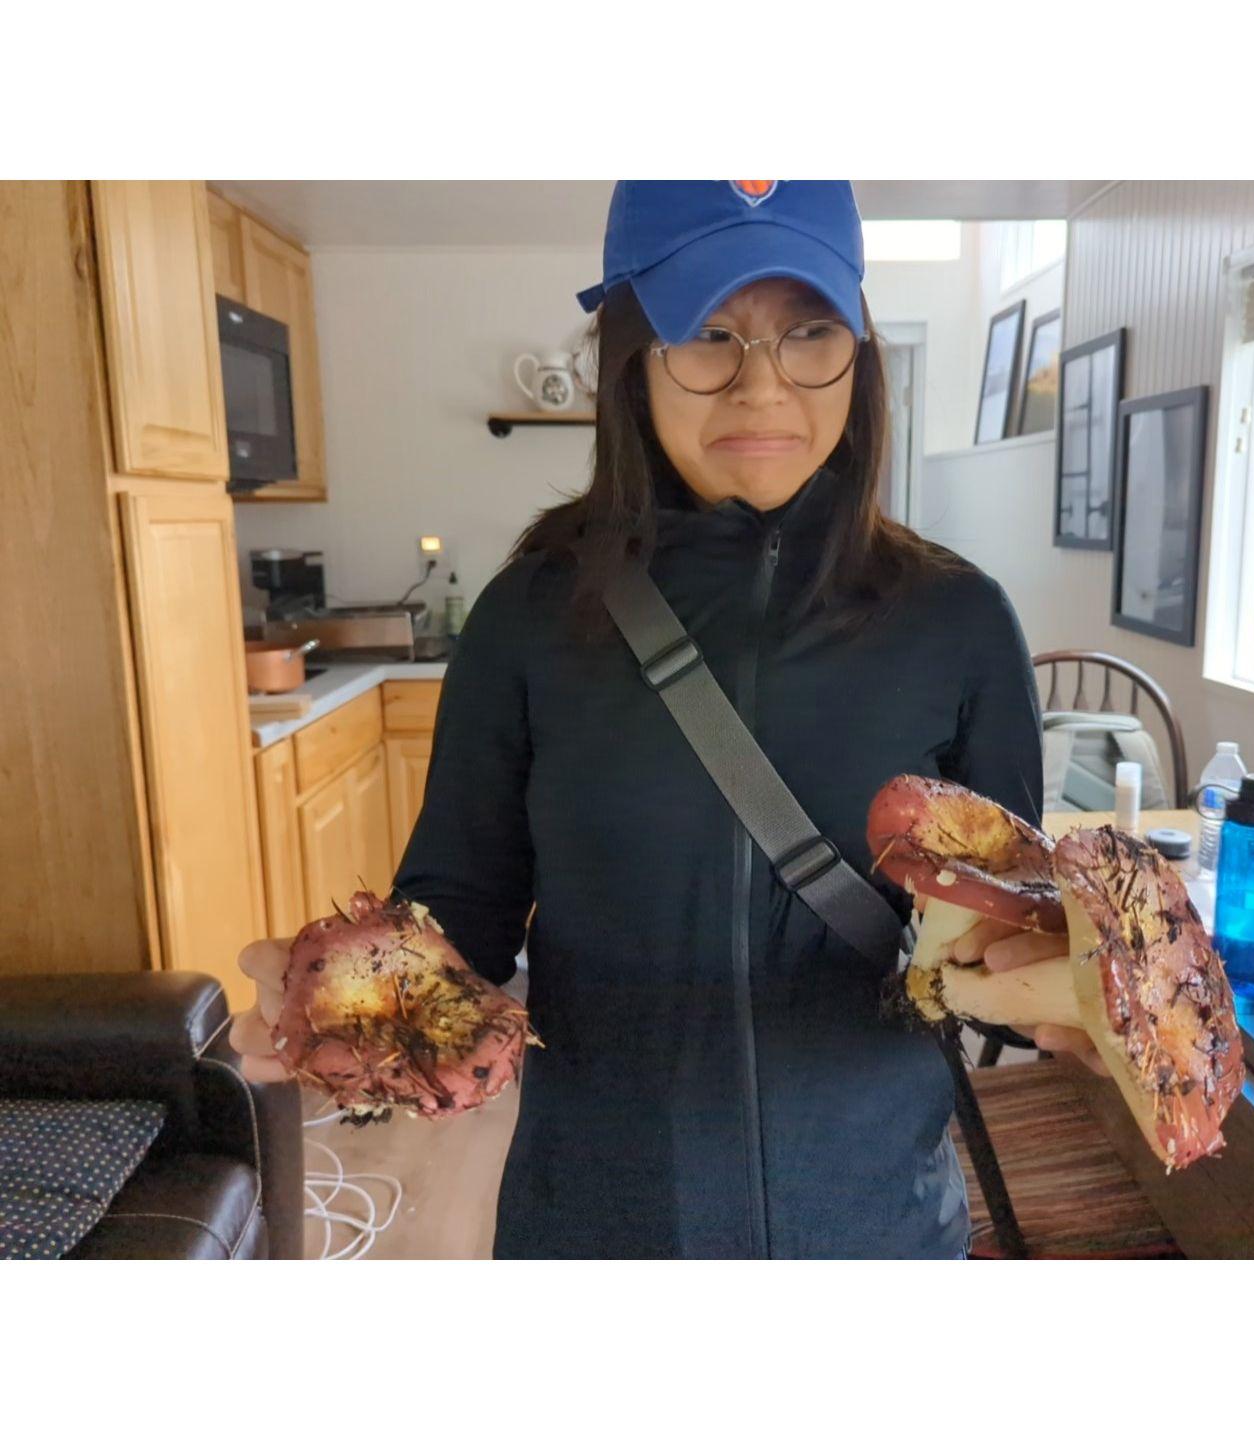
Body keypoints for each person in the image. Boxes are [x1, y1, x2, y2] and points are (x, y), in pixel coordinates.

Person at [233, 180, 1110, 1259]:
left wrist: (1073, 994)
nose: (762, 387)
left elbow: (983, 938)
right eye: (707, 336)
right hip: (599, 1217)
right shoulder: (533, 616)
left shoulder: (960, 622)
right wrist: (363, 998)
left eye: (808, 333)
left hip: (876, 1219)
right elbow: (460, 905)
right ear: (633, 357)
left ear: (858, 354)